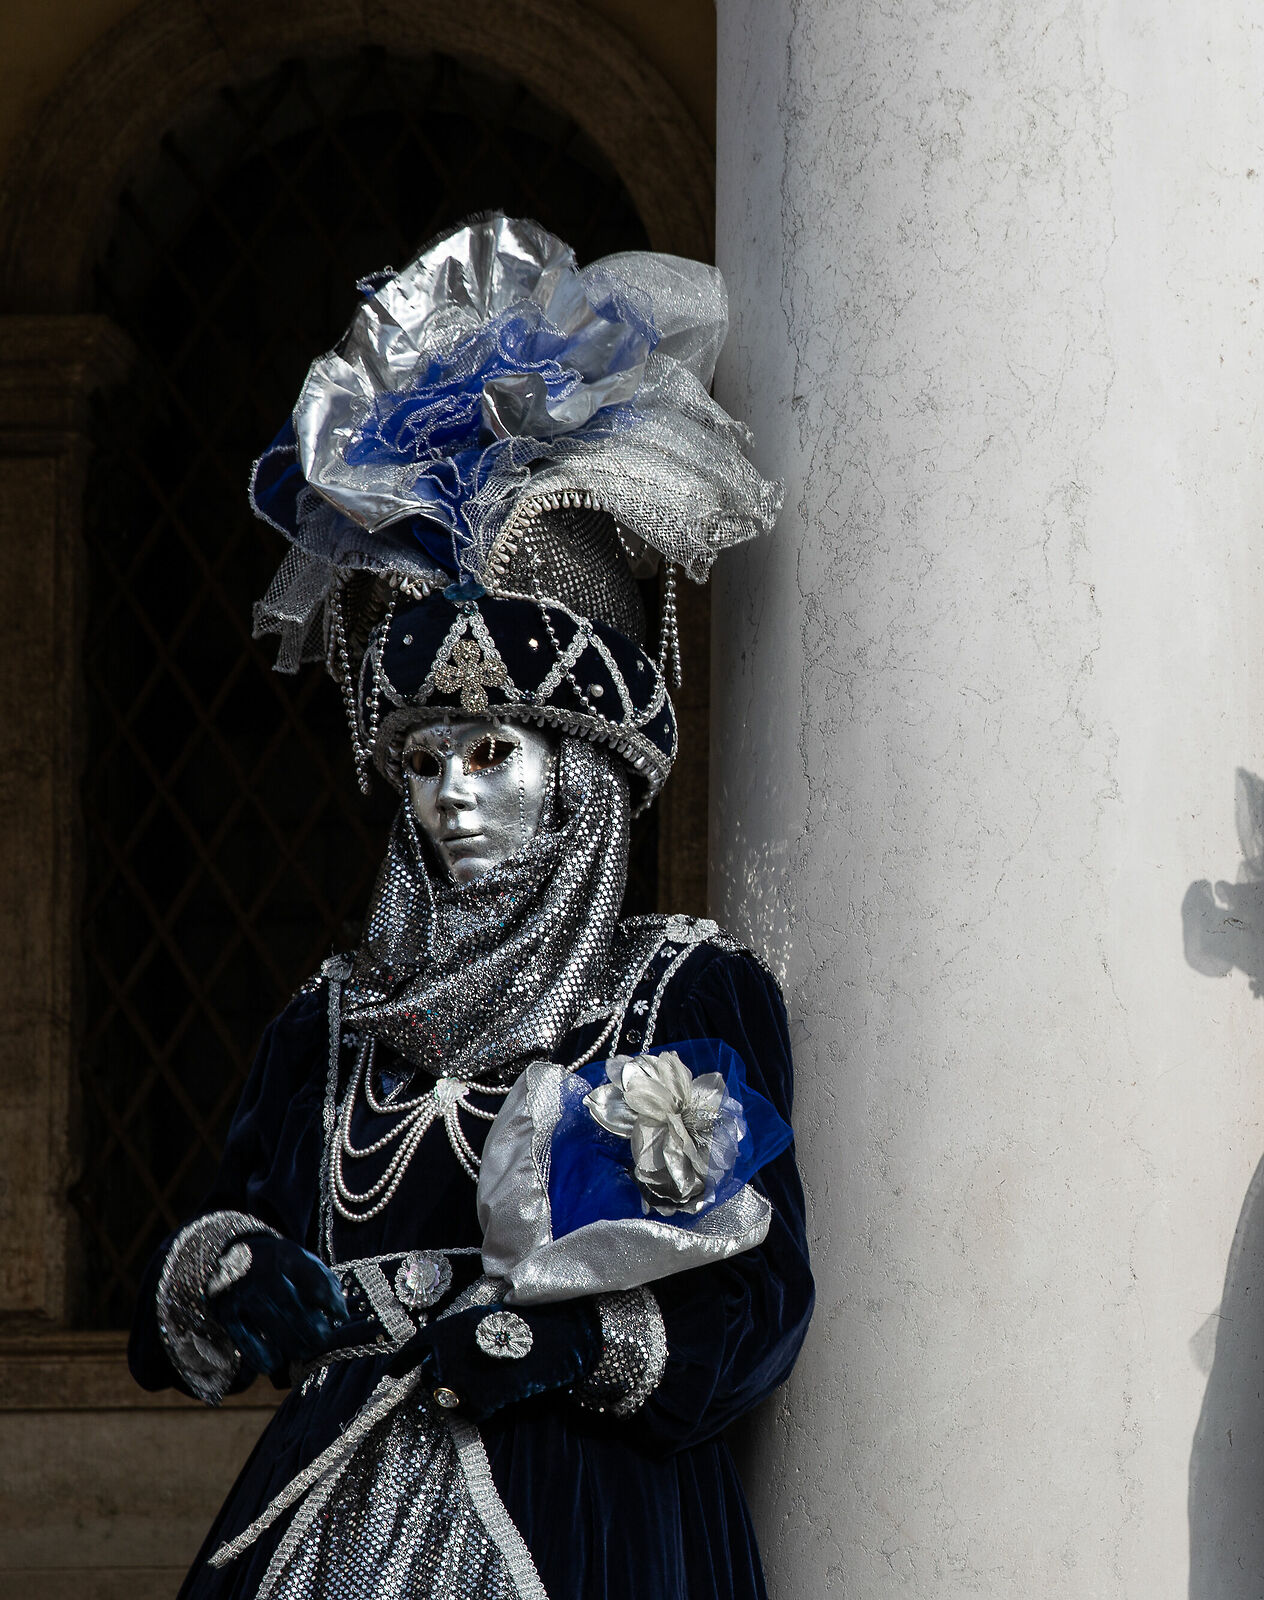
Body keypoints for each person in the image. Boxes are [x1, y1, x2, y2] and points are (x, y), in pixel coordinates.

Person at [127, 214, 806, 1600]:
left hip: (589, 1518)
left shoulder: (676, 994)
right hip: (335, 1502)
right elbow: (203, 1247)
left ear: (588, 773)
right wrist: (233, 1272)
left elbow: (756, 1303)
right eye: (424, 764)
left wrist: (570, 1345)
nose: (451, 797)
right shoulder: (333, 1024)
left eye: (493, 753)